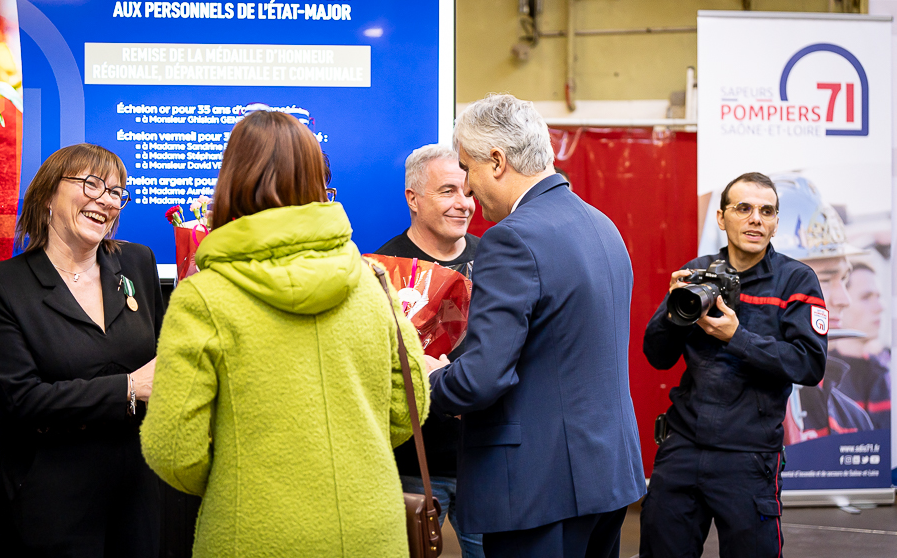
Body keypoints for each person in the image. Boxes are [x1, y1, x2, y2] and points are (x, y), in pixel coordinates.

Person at [140, 110, 429, 557]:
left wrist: (241, 477)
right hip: (372, 530)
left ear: (231, 182)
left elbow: (174, 448)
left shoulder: (204, 297)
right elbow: (410, 406)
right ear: (317, 183)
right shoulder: (374, 281)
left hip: (252, 533)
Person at [426, 93, 645, 558]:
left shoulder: (511, 239)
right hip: (608, 477)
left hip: (538, 489)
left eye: (467, 169)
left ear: (497, 161)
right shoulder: (602, 225)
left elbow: (482, 378)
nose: (468, 189)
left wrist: (432, 380)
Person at [641, 172, 827, 558]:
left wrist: (737, 337)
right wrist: (673, 312)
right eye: (743, 208)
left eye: (766, 211)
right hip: (683, 447)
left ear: (775, 222)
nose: (755, 218)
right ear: (721, 218)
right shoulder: (697, 272)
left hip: (750, 457)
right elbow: (658, 356)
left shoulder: (795, 280)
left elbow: (810, 365)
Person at [0, 143, 162, 557]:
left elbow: (163, 361)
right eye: (92, 184)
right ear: (48, 195)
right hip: (52, 500)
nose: (106, 200)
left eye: (116, 192)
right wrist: (128, 388)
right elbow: (20, 400)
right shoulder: (6, 285)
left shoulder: (138, 262)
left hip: (140, 493)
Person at [375, 144, 484, 558]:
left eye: (468, 192)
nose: (464, 204)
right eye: (447, 191)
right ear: (413, 198)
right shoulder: (380, 269)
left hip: (485, 461)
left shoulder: (496, 259)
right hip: (413, 465)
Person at [770, 175, 875, 440]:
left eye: (845, 279)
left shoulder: (852, 421)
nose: (844, 299)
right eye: (825, 280)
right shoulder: (729, 413)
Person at [832, 263, 891, 429]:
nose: (880, 307)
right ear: (841, 303)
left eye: (879, 296)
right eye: (866, 297)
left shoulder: (888, 365)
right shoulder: (826, 375)